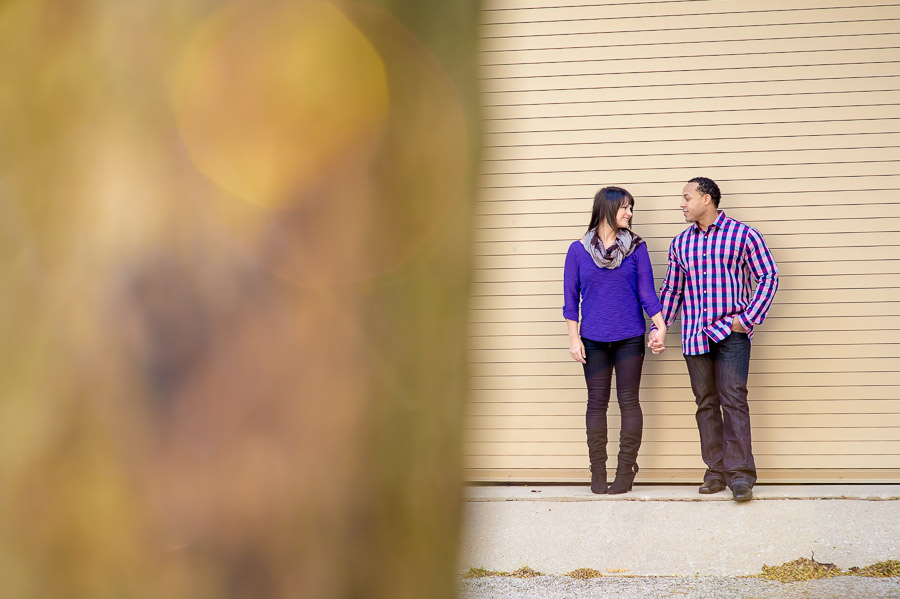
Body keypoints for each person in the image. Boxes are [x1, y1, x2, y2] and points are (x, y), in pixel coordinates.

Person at [649, 177, 778, 502]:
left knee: (733, 401)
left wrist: (746, 319)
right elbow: (672, 290)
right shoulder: (680, 243)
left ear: (707, 199)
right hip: (694, 335)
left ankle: (741, 476)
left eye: (686, 197)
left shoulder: (743, 234)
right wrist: (661, 327)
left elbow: (768, 275)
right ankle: (715, 472)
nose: (682, 203)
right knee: (706, 405)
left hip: (731, 335)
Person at [563, 187, 667, 495]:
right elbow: (571, 300)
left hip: (629, 339)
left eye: (631, 209)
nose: (630, 214)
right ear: (607, 209)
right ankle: (597, 471)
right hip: (593, 340)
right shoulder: (578, 250)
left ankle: (625, 470)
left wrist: (659, 326)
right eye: (625, 208)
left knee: (628, 402)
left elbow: (647, 292)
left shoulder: (636, 247)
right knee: (596, 403)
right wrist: (574, 339)